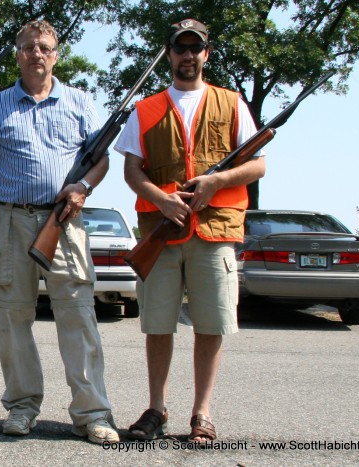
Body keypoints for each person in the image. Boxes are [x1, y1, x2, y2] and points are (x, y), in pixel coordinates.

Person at [0, 20, 118, 445]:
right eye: (29, 47)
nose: (36, 54)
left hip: (64, 220)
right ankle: (22, 407)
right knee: (12, 318)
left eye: (44, 47)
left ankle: (92, 414)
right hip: (10, 220)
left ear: (56, 55)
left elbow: (101, 159)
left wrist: (83, 188)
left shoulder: (82, 103)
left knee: (78, 316)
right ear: (18, 54)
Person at [114, 18, 266, 443]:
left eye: (194, 48)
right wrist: (160, 199)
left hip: (214, 231)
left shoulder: (231, 102)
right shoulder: (145, 108)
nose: (187, 56)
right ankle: (156, 409)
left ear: (206, 53)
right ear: (170, 54)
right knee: (158, 324)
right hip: (159, 231)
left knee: (210, 325)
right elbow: (131, 170)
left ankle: (202, 413)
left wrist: (217, 181)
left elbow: (258, 164)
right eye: (180, 48)